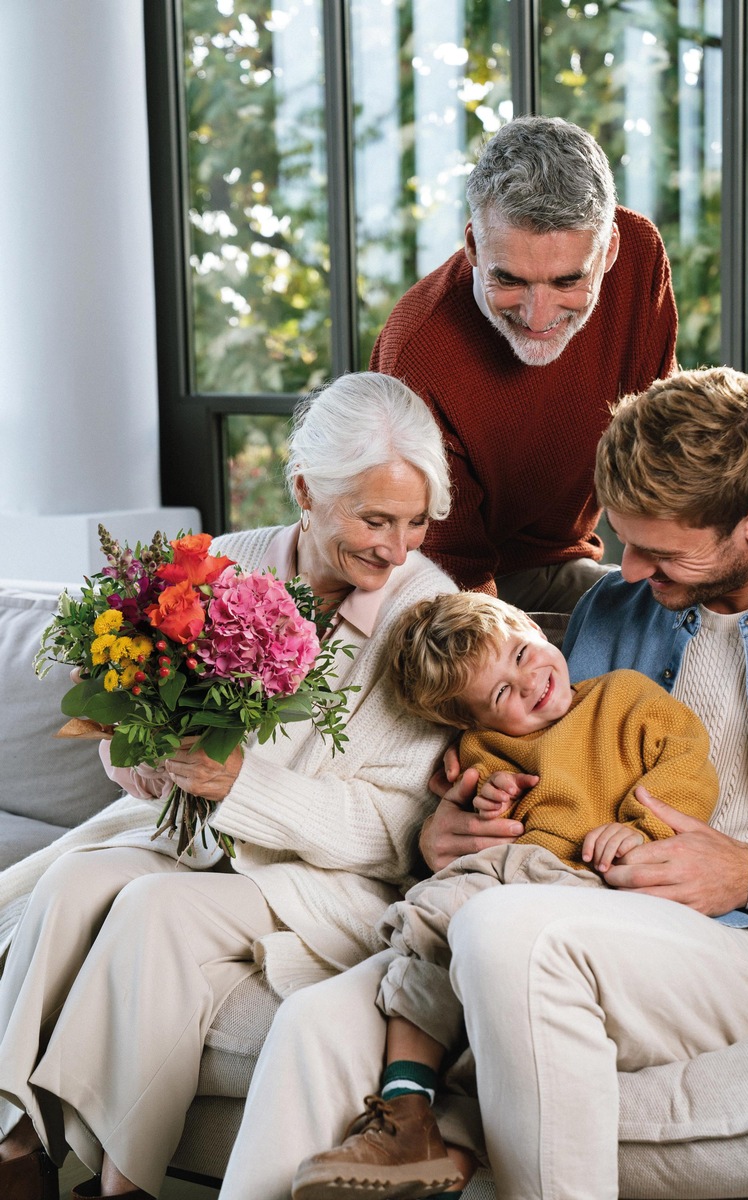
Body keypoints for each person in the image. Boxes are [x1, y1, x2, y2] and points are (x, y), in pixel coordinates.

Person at [215, 364, 748, 1200]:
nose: (626, 572)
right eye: (619, 539)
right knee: (316, 1022)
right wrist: (441, 835)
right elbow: (533, 766)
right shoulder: (613, 612)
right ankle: (415, 1127)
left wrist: (747, 871)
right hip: (593, 902)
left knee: (505, 934)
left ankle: (449, 1128)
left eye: (659, 552)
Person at [0, 371, 460, 1200]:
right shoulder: (221, 564)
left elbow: (398, 832)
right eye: (374, 518)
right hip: (192, 843)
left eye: (417, 521)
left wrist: (241, 783)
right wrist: (136, 757)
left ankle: (122, 1184)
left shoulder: (427, 612)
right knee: (68, 882)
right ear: (305, 493)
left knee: (149, 908)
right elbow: (130, 725)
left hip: (328, 882)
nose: (397, 548)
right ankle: (12, 1145)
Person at [290, 591, 717, 1199]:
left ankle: (424, 1126)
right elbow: (482, 803)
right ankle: (407, 1110)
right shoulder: (484, 749)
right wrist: (490, 796)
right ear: (473, 722)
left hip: (591, 881)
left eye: (523, 654)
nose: (529, 683)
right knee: (433, 920)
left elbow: (685, 763)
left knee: (455, 916)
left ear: (532, 629)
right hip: (516, 872)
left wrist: (642, 830)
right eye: (500, 695)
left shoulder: (623, 697)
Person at [370, 114, 678, 612]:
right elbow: (448, 573)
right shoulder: (417, 352)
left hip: (562, 561)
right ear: (473, 246)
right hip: (440, 587)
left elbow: (658, 439)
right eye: (510, 280)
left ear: (610, 252)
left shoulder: (640, 253)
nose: (538, 317)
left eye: (566, 281)